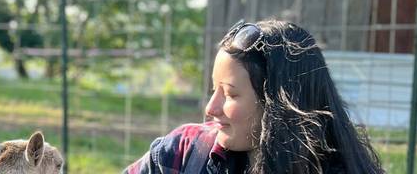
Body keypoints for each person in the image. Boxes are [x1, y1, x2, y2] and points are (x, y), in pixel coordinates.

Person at [123, 18, 385, 174]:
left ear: (280, 106)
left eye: (230, 94)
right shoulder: (181, 154)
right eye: (214, 90)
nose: (211, 108)